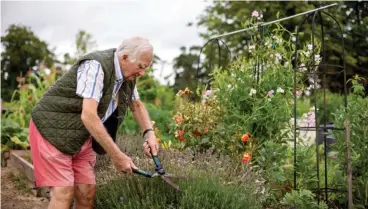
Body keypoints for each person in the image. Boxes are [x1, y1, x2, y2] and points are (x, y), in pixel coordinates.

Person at [29, 37, 160, 209]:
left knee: (87, 193)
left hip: (81, 136)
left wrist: (149, 133)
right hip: (52, 130)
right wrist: (117, 156)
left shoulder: (127, 76)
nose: (143, 73)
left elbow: (136, 104)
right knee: (64, 193)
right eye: (141, 67)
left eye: (146, 68)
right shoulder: (95, 66)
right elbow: (89, 116)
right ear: (125, 58)